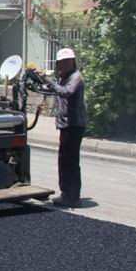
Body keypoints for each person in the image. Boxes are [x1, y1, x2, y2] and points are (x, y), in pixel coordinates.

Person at [47, 47, 86, 208]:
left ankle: (72, 197)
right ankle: (66, 193)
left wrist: (50, 83)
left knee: (70, 161)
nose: (64, 64)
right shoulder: (64, 77)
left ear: (72, 62)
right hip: (66, 124)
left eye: (67, 61)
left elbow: (67, 92)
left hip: (74, 124)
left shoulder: (76, 77)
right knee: (64, 160)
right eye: (62, 62)